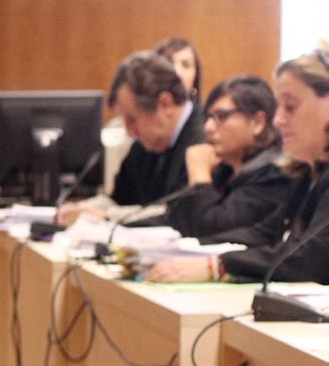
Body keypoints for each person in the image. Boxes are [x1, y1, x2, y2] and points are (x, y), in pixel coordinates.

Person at [146, 49, 329, 283]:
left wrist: (218, 266)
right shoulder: (306, 174)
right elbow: (266, 234)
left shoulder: (276, 174)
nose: (278, 119)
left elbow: (313, 257)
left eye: (290, 107)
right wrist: (188, 249)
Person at [58, 51, 206, 226]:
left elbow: (176, 214)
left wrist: (107, 216)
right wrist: (80, 209)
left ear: (165, 104)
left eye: (132, 119)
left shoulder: (205, 139)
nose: (129, 132)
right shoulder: (145, 145)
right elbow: (119, 199)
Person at [162, 75, 289, 239]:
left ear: (257, 123)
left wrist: (200, 175)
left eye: (221, 116)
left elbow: (208, 231)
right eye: (208, 118)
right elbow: (177, 221)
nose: (208, 127)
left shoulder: (273, 174)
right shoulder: (225, 171)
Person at [155, 35, 203, 104]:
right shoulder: (139, 114)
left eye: (186, 65)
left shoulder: (202, 114)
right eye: (169, 63)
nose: (177, 72)